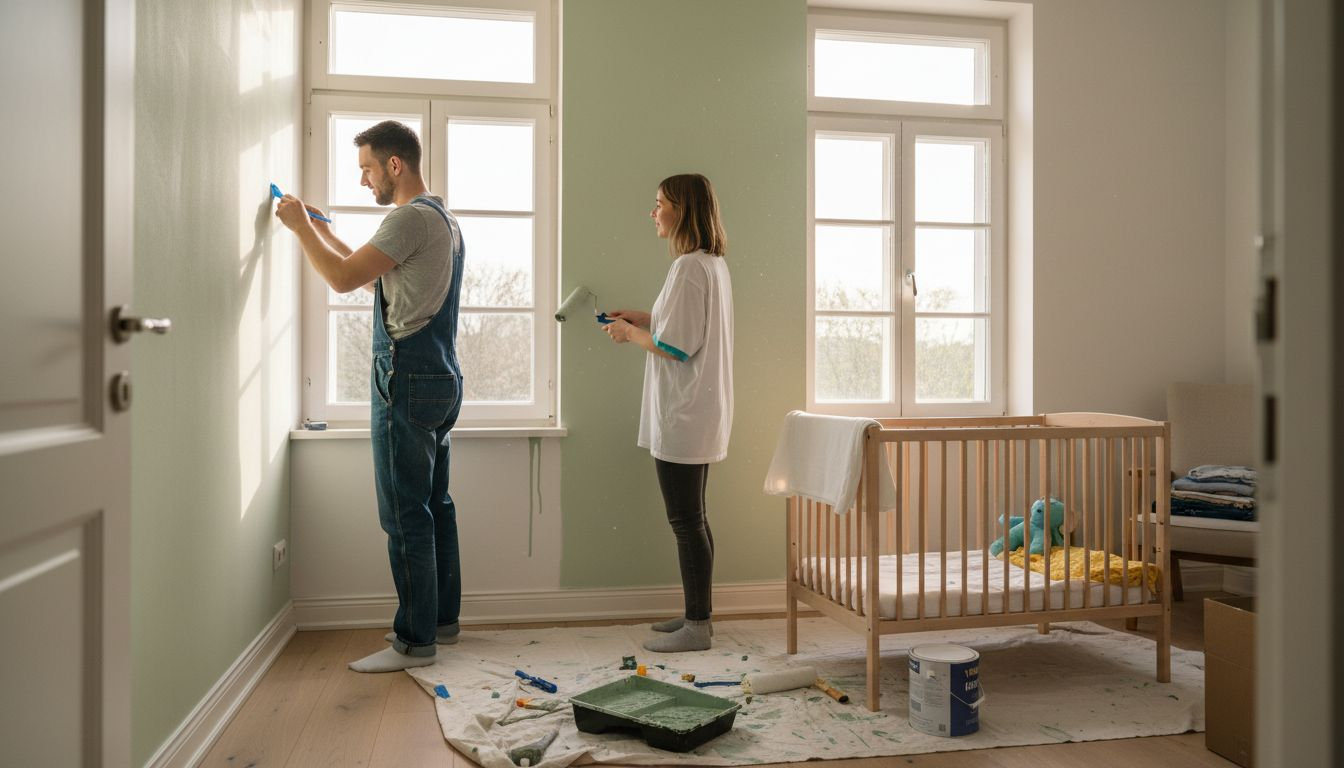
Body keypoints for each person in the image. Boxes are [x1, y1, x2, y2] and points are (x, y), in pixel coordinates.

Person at [275, 121, 465, 673]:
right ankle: (441, 624)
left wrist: (295, 228)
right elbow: (361, 271)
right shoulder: (442, 218)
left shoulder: (407, 218)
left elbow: (337, 278)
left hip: (405, 377)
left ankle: (414, 642)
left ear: (394, 165)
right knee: (436, 505)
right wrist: (316, 228)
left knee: (405, 513)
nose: (364, 180)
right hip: (442, 376)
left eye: (366, 168)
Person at [603, 173, 734, 653]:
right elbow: (685, 327)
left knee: (685, 521)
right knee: (694, 518)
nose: (652, 212)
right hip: (700, 410)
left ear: (681, 210)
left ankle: (697, 627)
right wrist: (646, 318)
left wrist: (628, 334)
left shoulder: (687, 268)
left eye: (659, 204)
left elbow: (676, 347)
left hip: (684, 414)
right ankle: (697, 615)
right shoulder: (709, 265)